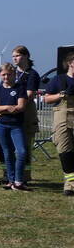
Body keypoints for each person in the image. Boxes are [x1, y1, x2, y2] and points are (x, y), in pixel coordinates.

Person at [0, 63, 28, 190]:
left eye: (9, 74)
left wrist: (1, 111)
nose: (6, 77)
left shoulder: (20, 88)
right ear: (0, 75)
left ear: (14, 74)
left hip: (16, 125)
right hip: (2, 125)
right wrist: (6, 108)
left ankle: (18, 181)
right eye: (3, 74)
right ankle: (11, 180)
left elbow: (21, 107)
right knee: (7, 153)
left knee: (22, 152)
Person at [43, 50, 74, 196]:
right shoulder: (58, 80)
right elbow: (46, 98)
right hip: (62, 116)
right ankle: (70, 183)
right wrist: (61, 94)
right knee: (64, 150)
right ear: (70, 63)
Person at [12, 45, 41, 181]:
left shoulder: (32, 74)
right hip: (10, 113)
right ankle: (9, 175)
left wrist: (15, 102)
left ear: (26, 56)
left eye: (17, 55)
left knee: (25, 147)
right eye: (13, 56)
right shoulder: (11, 72)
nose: (15, 59)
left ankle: (25, 176)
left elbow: (29, 94)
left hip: (26, 113)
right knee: (8, 147)